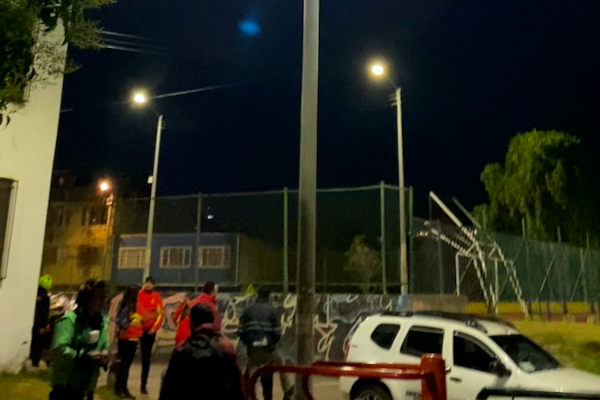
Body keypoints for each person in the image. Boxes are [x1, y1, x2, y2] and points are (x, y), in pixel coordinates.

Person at [159, 304, 243, 400]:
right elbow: (236, 385)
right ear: (212, 321)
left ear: (191, 323)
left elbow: (168, 389)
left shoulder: (181, 349)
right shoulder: (225, 347)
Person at [49, 279, 109, 400]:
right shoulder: (71, 320)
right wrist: (81, 355)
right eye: (97, 297)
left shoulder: (102, 322)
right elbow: (60, 349)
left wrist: (105, 355)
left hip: (88, 385)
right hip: (66, 385)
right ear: (85, 299)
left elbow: (104, 345)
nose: (102, 302)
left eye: (104, 297)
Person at [238, 287, 289, 400]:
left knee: (251, 371)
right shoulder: (272, 311)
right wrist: (271, 345)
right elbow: (278, 333)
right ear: (269, 297)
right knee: (282, 365)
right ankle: (287, 390)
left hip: (253, 351)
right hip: (269, 351)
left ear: (257, 295)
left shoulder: (247, 310)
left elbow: (240, 331)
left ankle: (250, 394)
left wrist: (249, 345)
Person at [115, 286, 144, 399]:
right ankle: (119, 388)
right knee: (123, 366)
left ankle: (123, 388)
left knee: (126, 366)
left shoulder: (133, 308)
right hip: (125, 340)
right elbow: (122, 324)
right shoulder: (125, 309)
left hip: (132, 340)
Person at [137, 277, 164, 396]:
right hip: (137, 330)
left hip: (150, 332)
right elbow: (136, 310)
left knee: (146, 359)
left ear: (154, 285)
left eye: (150, 283)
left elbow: (160, 315)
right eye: (146, 283)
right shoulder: (139, 295)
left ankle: (143, 386)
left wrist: (154, 328)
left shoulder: (156, 297)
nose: (148, 285)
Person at [174, 282, 221, 347]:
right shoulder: (212, 307)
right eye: (216, 292)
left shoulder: (192, 303)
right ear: (213, 292)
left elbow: (177, 318)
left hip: (182, 341)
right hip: (201, 344)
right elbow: (216, 328)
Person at [30, 274, 53, 368]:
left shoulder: (34, 294)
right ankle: (35, 361)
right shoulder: (46, 298)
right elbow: (45, 313)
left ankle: (32, 357)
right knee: (38, 343)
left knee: (33, 340)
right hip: (40, 324)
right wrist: (44, 325)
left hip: (33, 322)